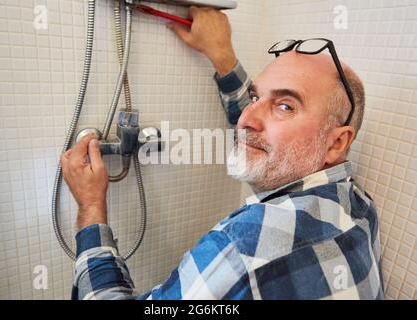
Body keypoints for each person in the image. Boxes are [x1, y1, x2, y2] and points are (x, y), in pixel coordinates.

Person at [61, 7, 383, 300]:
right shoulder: (358, 210)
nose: (247, 119)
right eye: (257, 98)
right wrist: (223, 57)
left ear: (337, 143)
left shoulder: (245, 247)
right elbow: (266, 138)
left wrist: (91, 207)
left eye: (285, 106)